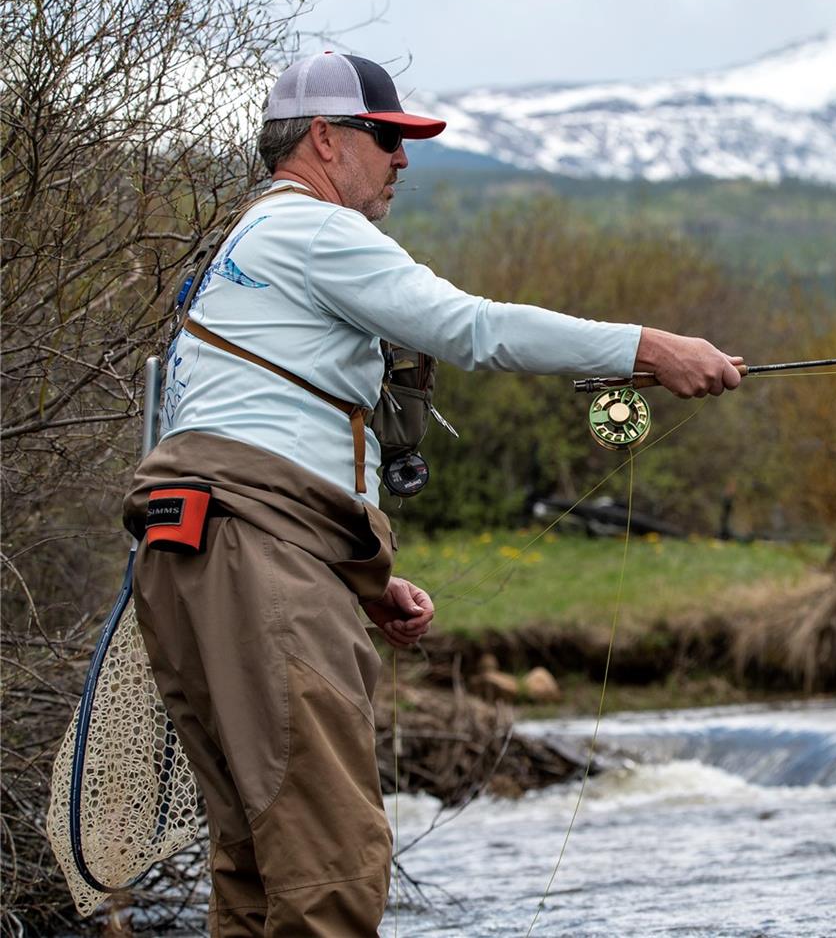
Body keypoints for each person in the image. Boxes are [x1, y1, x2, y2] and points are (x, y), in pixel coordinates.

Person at [124, 51, 741, 936]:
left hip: (199, 557)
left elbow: (252, 436)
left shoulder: (242, 249)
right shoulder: (315, 231)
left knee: (259, 868)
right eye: (388, 138)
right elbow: (474, 329)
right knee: (331, 862)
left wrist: (362, 581)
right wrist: (649, 347)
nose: (403, 160)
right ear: (327, 140)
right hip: (253, 558)